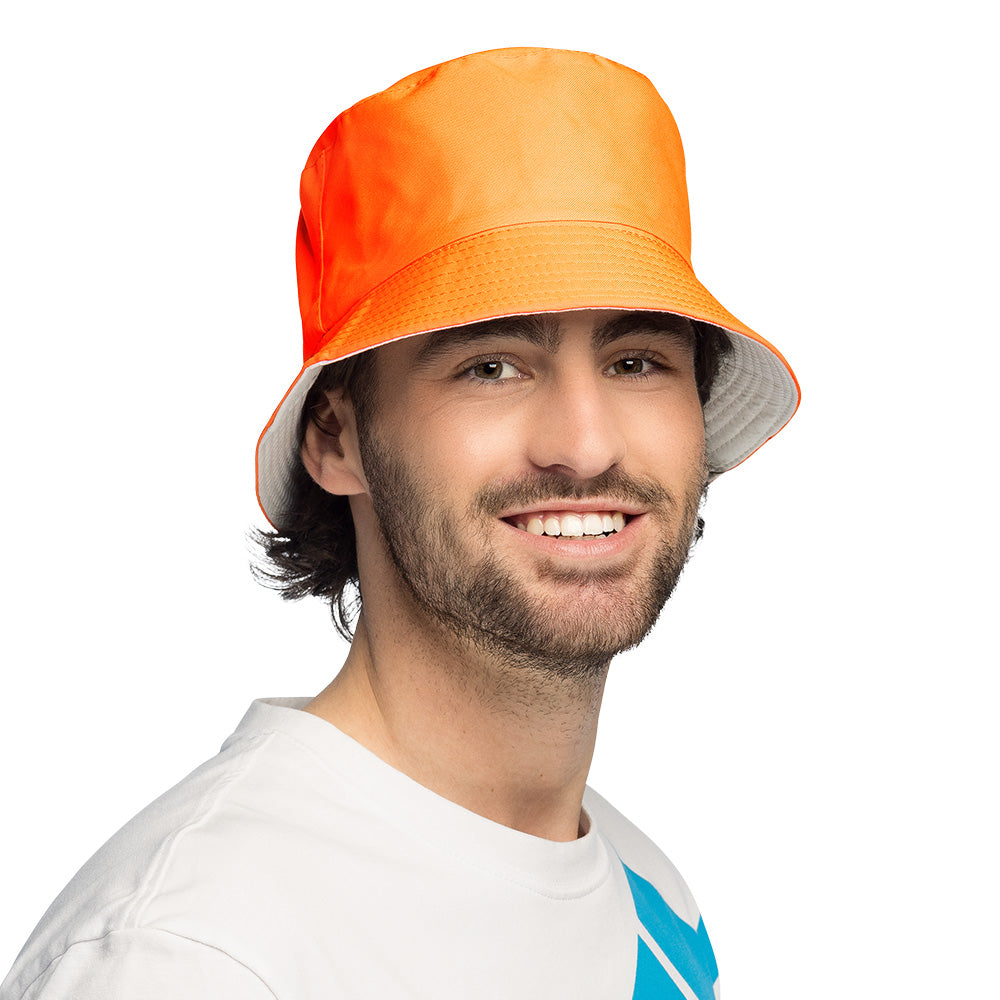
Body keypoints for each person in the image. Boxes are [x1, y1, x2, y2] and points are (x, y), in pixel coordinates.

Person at [2, 47, 798, 999]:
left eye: (636, 362)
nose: (586, 446)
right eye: (492, 366)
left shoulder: (649, 899)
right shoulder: (193, 955)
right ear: (336, 436)